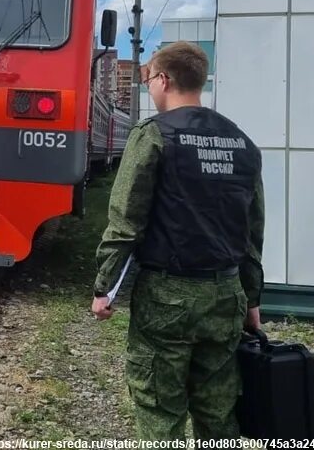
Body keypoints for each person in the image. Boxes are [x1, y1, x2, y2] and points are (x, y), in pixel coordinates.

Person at [90, 41, 264, 440]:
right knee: (219, 413)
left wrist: (106, 288)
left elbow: (126, 222)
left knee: (159, 410)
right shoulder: (242, 143)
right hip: (226, 294)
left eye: (149, 79)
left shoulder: (153, 136)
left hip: (167, 296)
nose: (149, 88)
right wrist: (252, 299)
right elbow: (253, 232)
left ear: (164, 79)